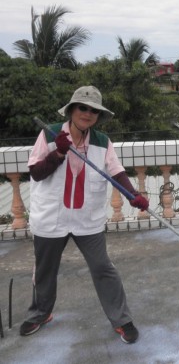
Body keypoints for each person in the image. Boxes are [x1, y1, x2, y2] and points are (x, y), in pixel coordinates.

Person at [20, 86, 149, 343]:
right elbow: (36, 172)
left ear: (98, 116)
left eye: (94, 110)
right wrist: (58, 152)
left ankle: (122, 320)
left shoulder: (102, 141)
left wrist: (132, 194)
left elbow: (116, 171)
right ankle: (40, 313)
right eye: (83, 107)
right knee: (45, 269)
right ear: (71, 110)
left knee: (103, 267)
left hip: (86, 218)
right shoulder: (49, 134)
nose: (87, 113)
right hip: (51, 217)